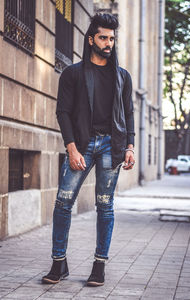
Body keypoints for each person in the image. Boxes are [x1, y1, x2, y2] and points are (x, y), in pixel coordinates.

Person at [42, 13, 135, 287]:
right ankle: (59, 263)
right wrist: (71, 148)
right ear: (91, 38)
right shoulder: (73, 73)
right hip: (81, 144)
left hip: (112, 146)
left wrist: (130, 146)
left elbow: (129, 113)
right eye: (104, 38)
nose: (109, 43)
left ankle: (99, 266)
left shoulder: (122, 77)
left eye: (112, 39)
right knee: (63, 202)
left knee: (105, 207)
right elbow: (63, 113)